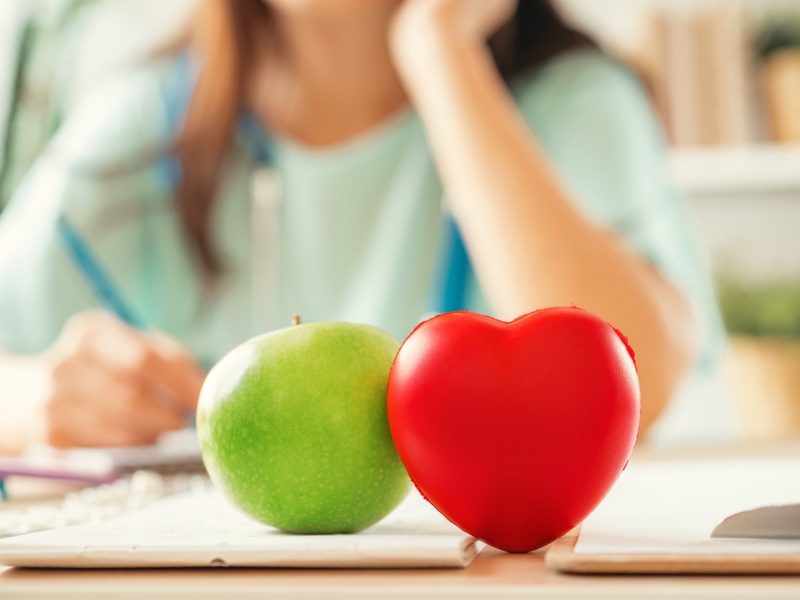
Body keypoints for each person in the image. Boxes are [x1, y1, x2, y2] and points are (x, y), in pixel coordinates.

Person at [0, 0, 721, 453]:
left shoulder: (571, 103)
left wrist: (440, 51)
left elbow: (630, 386)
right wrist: (32, 397)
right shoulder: (140, 127)